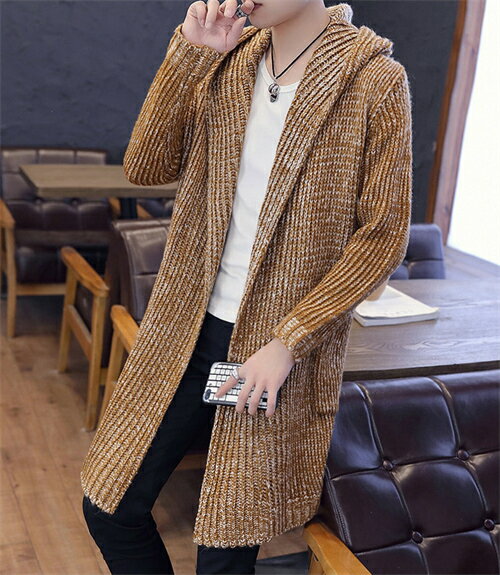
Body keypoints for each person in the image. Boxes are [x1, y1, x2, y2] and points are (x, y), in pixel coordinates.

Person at [81, 0, 413, 573]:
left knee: (226, 551)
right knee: (109, 506)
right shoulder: (227, 60)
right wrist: (189, 55)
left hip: (274, 348)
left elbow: (382, 238)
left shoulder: (374, 80)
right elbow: (145, 166)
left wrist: (289, 342)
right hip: (186, 329)